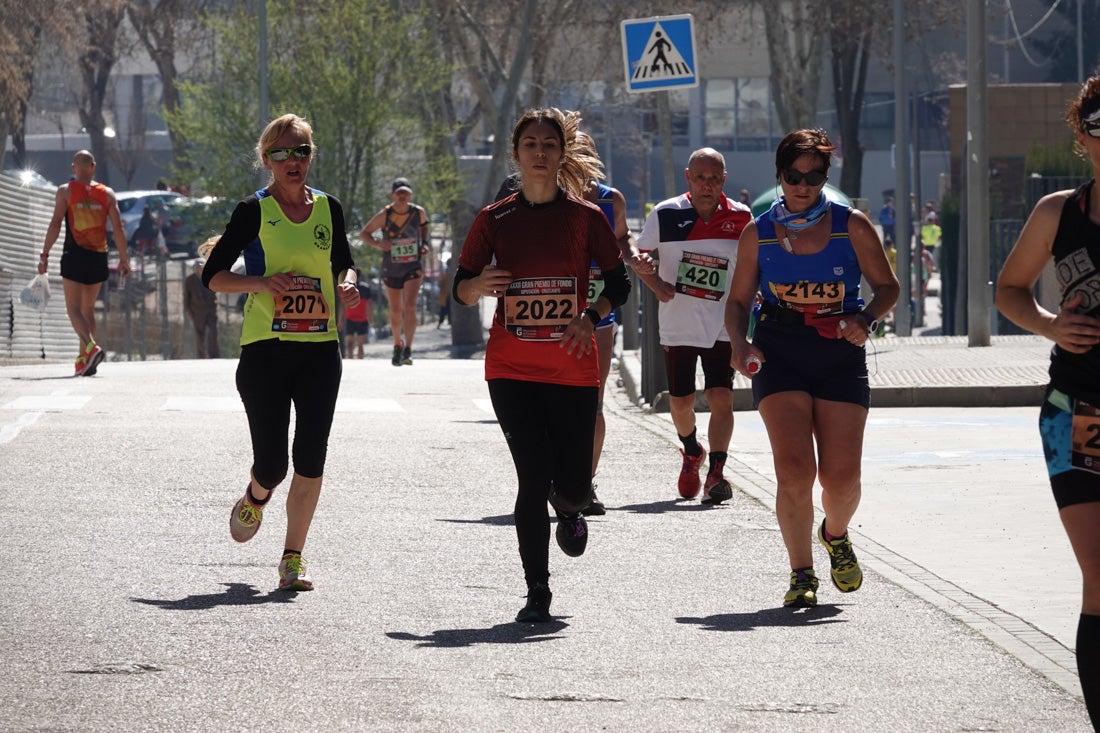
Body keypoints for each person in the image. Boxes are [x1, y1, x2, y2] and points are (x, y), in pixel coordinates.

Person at [452, 108, 630, 623]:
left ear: (561, 153)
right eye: (529, 143)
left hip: (574, 365)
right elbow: (459, 290)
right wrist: (476, 287)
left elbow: (618, 285)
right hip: (511, 367)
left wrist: (588, 315)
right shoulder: (494, 220)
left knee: (570, 483)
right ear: (516, 153)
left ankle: (570, 503)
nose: (539, 152)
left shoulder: (586, 218)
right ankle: (537, 591)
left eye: (548, 144)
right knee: (531, 476)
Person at [723, 128, 899, 608]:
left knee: (841, 480)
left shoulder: (851, 225)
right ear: (779, 175)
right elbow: (738, 302)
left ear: (826, 176)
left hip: (839, 353)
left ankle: (835, 534)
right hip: (779, 351)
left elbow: (888, 287)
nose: (803, 184)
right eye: (793, 175)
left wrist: (865, 319)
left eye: (814, 175)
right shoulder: (757, 233)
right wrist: (739, 344)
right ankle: (801, 574)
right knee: (795, 471)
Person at [202, 113, 360, 592]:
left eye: (301, 151)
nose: (293, 161)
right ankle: (256, 493)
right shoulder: (253, 211)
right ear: (266, 161)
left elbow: (344, 262)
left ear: (312, 156)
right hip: (265, 350)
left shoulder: (329, 209)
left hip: (318, 350)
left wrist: (347, 285)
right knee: (273, 464)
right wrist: (261, 283)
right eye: (281, 153)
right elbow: (213, 276)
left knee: (311, 458)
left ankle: (293, 557)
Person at [994, 76, 1100, 731]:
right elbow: (1009, 288)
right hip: (1078, 410)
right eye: (1097, 127)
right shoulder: (1059, 212)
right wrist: (1050, 325)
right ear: (1083, 137)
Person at [633, 148, 751, 505]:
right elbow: (638, 256)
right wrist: (654, 283)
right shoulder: (666, 214)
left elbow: (754, 265)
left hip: (721, 323)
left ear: (724, 181)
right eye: (700, 177)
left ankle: (716, 470)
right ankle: (690, 451)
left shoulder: (742, 217)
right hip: (678, 322)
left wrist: (753, 298)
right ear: (688, 177)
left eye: (714, 179)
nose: (706, 185)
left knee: (721, 396)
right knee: (681, 401)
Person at [37, 150, 131, 376]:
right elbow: (118, 228)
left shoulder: (66, 192)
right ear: (93, 167)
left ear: (73, 168)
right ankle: (83, 360)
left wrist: (44, 254)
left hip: (74, 255)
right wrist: (124, 260)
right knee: (88, 310)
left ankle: (91, 347)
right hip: (99, 256)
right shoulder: (107, 194)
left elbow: (56, 224)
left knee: (73, 309)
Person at [360, 177, 429, 366]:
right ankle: (397, 343)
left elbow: (425, 229)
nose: (402, 197)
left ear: (410, 195)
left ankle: (409, 348)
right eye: (399, 193)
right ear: (393, 195)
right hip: (391, 266)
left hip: (413, 265)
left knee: (410, 306)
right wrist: (378, 244)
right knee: (396, 309)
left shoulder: (418, 212)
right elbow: (364, 233)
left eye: (406, 193)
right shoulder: (385, 215)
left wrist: (424, 244)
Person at [183, 252, 219, 358]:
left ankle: (215, 355)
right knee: (199, 334)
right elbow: (186, 297)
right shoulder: (189, 280)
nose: (200, 269)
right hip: (197, 311)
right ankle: (201, 355)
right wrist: (188, 311)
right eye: (198, 267)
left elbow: (217, 290)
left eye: (202, 267)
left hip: (211, 309)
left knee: (213, 332)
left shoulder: (210, 277)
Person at [343, 268, 374, 358]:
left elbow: (369, 304)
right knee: (352, 344)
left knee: (355, 344)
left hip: (361, 319)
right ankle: (351, 362)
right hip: (351, 318)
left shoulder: (365, 288)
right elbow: (343, 304)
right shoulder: (347, 287)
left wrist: (371, 318)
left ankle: (358, 363)